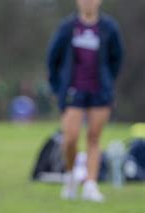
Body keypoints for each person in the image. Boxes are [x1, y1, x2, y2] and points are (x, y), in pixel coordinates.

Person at [47, 0, 124, 202]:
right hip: (73, 91)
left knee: (94, 137)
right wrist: (56, 88)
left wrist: (108, 81)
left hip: (100, 92)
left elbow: (117, 57)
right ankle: (71, 176)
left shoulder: (109, 27)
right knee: (70, 138)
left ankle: (90, 183)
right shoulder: (68, 27)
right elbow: (52, 58)